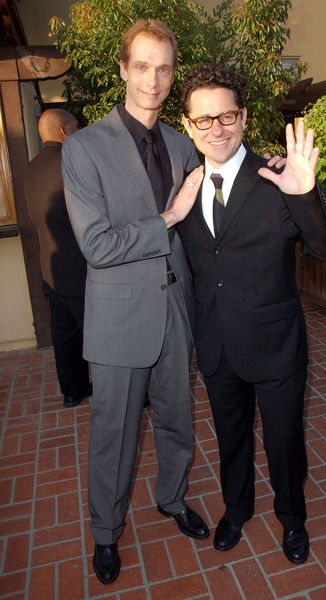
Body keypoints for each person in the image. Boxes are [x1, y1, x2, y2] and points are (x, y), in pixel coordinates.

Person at [176, 64, 326, 564]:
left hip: (275, 346)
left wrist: (306, 195)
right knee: (230, 439)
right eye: (204, 119)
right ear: (188, 125)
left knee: (284, 443)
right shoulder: (183, 189)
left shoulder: (278, 178)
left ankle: (293, 521)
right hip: (216, 344)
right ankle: (237, 509)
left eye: (226, 115)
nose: (216, 128)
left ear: (244, 117)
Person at [61, 19, 209, 585]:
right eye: (142, 66)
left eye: (164, 67)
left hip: (176, 309)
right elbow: (97, 245)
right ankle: (105, 531)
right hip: (119, 313)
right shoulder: (83, 148)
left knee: (177, 420)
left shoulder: (179, 143)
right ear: (123, 70)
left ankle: (171, 498)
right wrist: (167, 218)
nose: (153, 79)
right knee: (114, 433)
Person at [24, 108, 92, 408]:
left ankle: (72, 391)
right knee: (101, 337)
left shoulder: (31, 167)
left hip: (50, 270)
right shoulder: (71, 162)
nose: (79, 130)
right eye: (76, 126)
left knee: (65, 337)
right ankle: (125, 392)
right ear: (65, 131)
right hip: (80, 267)